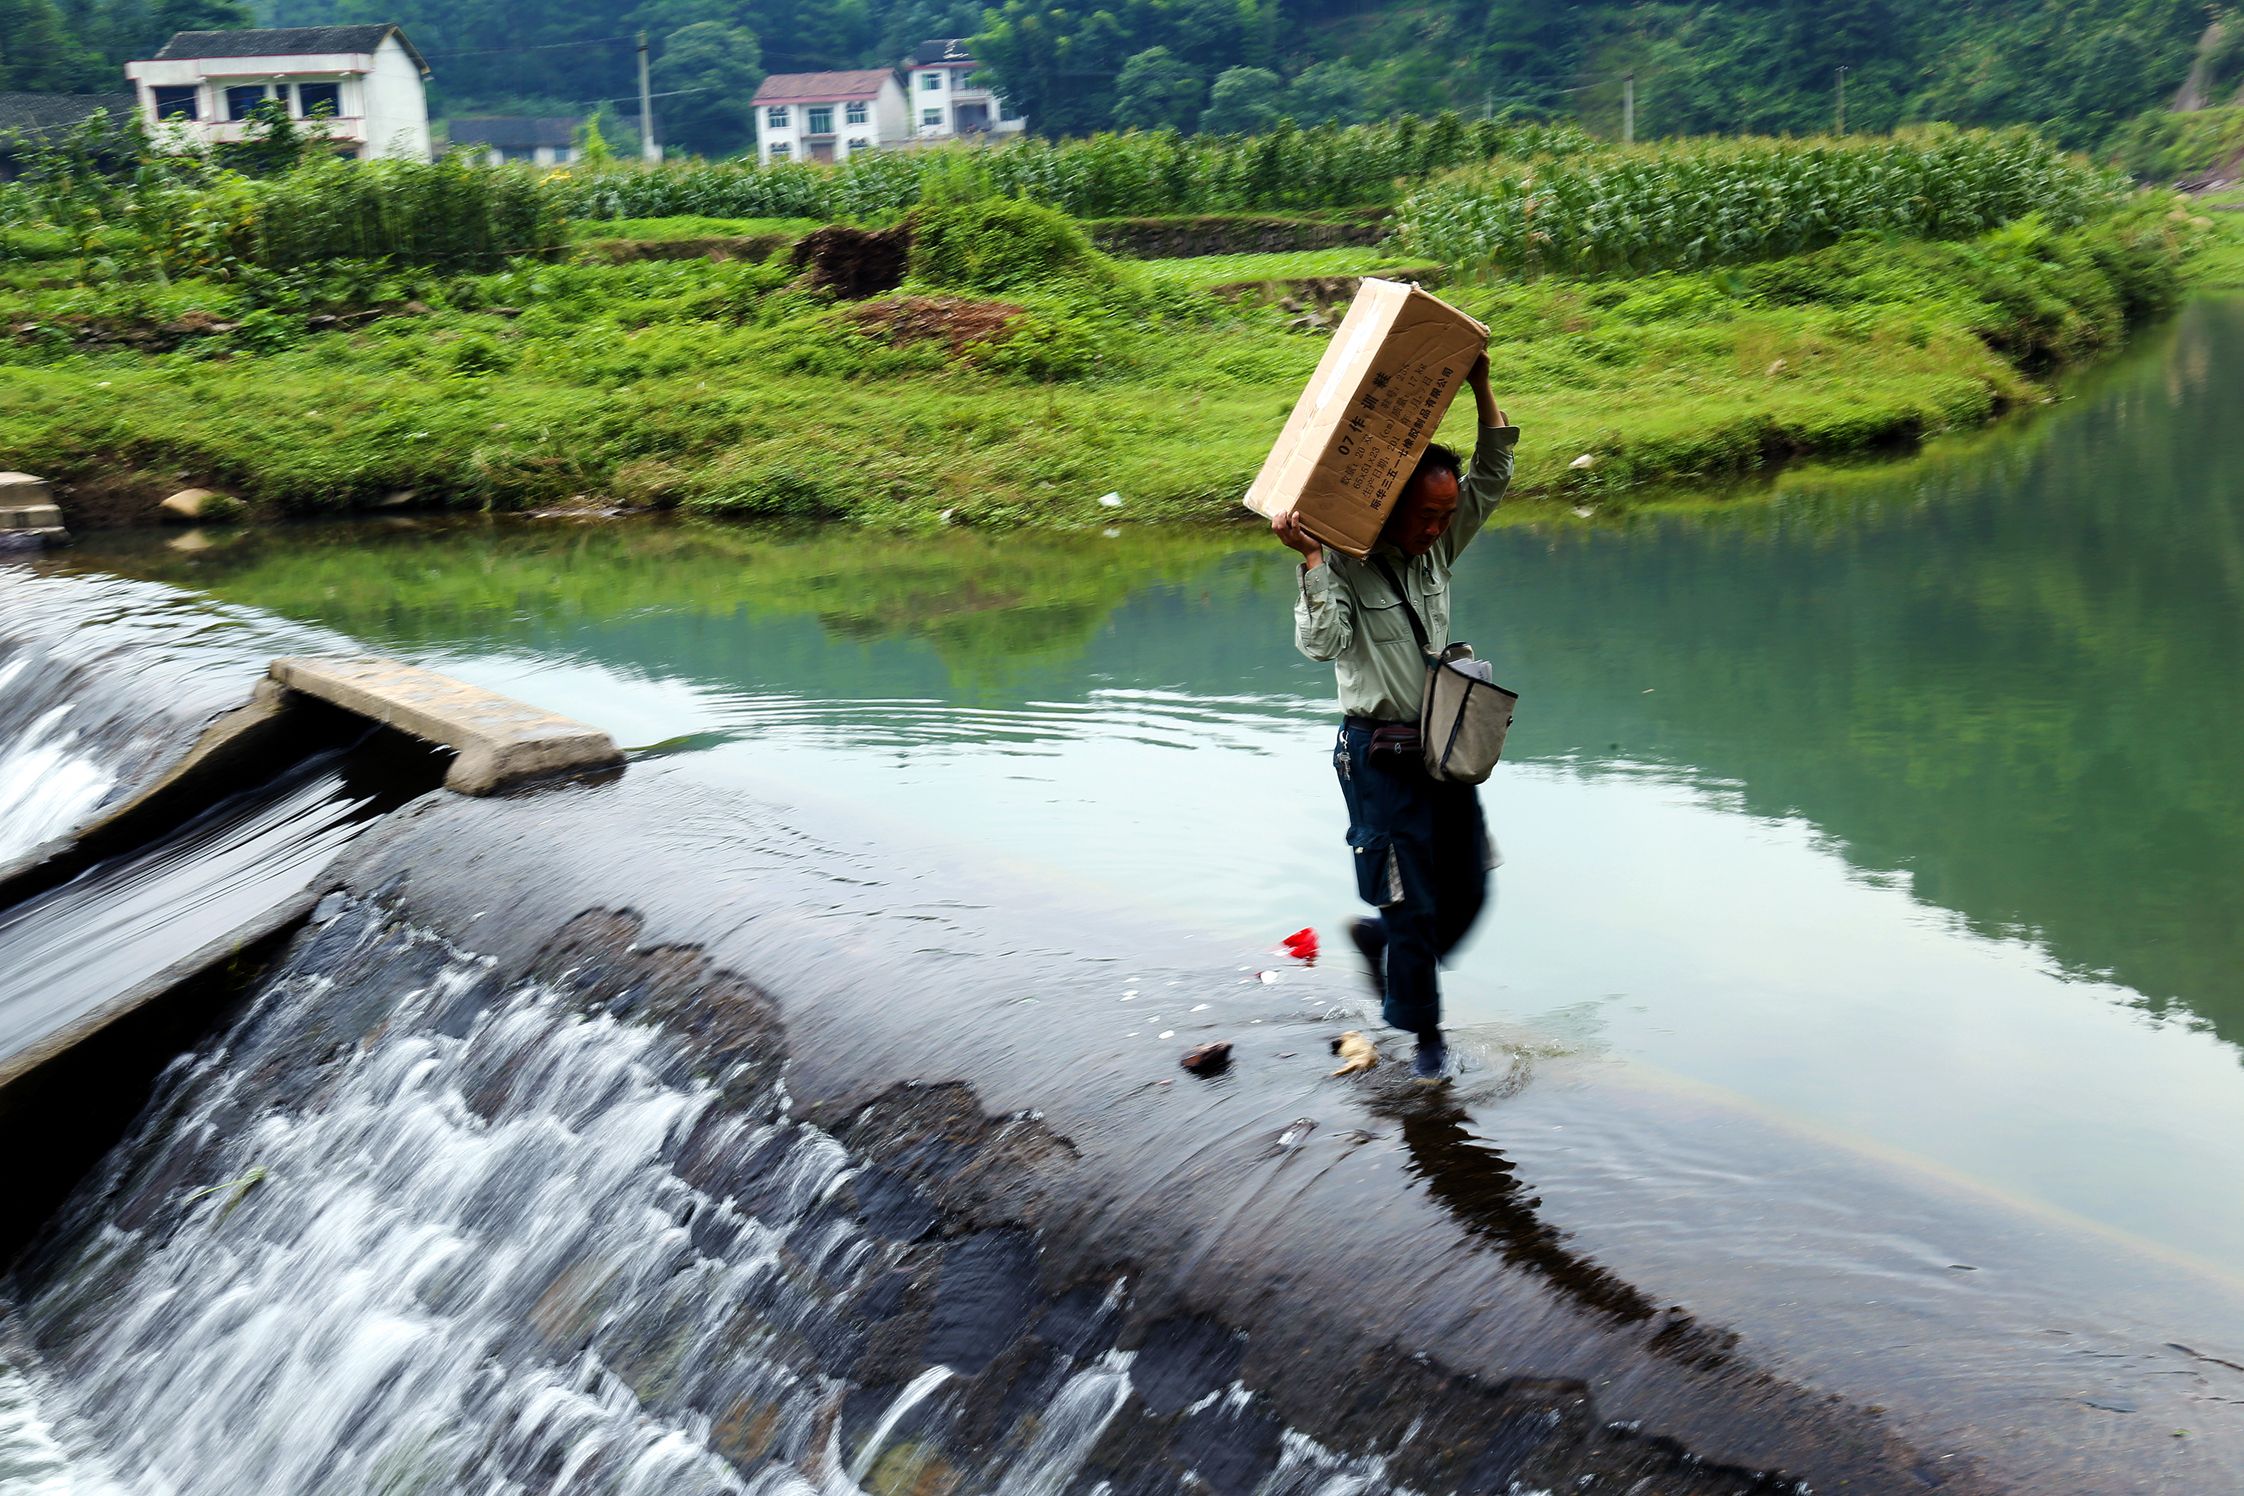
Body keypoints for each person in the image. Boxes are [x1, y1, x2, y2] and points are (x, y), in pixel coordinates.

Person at [1271, 355, 1516, 1080]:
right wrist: (1312, 559)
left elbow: (1493, 477)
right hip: (1377, 756)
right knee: (1410, 900)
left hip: (1441, 752)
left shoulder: (1437, 552)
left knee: (1469, 885)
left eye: (1447, 515)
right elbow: (1320, 645)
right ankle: (1426, 1041)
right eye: (1427, 515)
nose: (1439, 526)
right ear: (1391, 510)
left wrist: (1478, 384)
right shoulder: (1346, 562)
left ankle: (1388, 950)